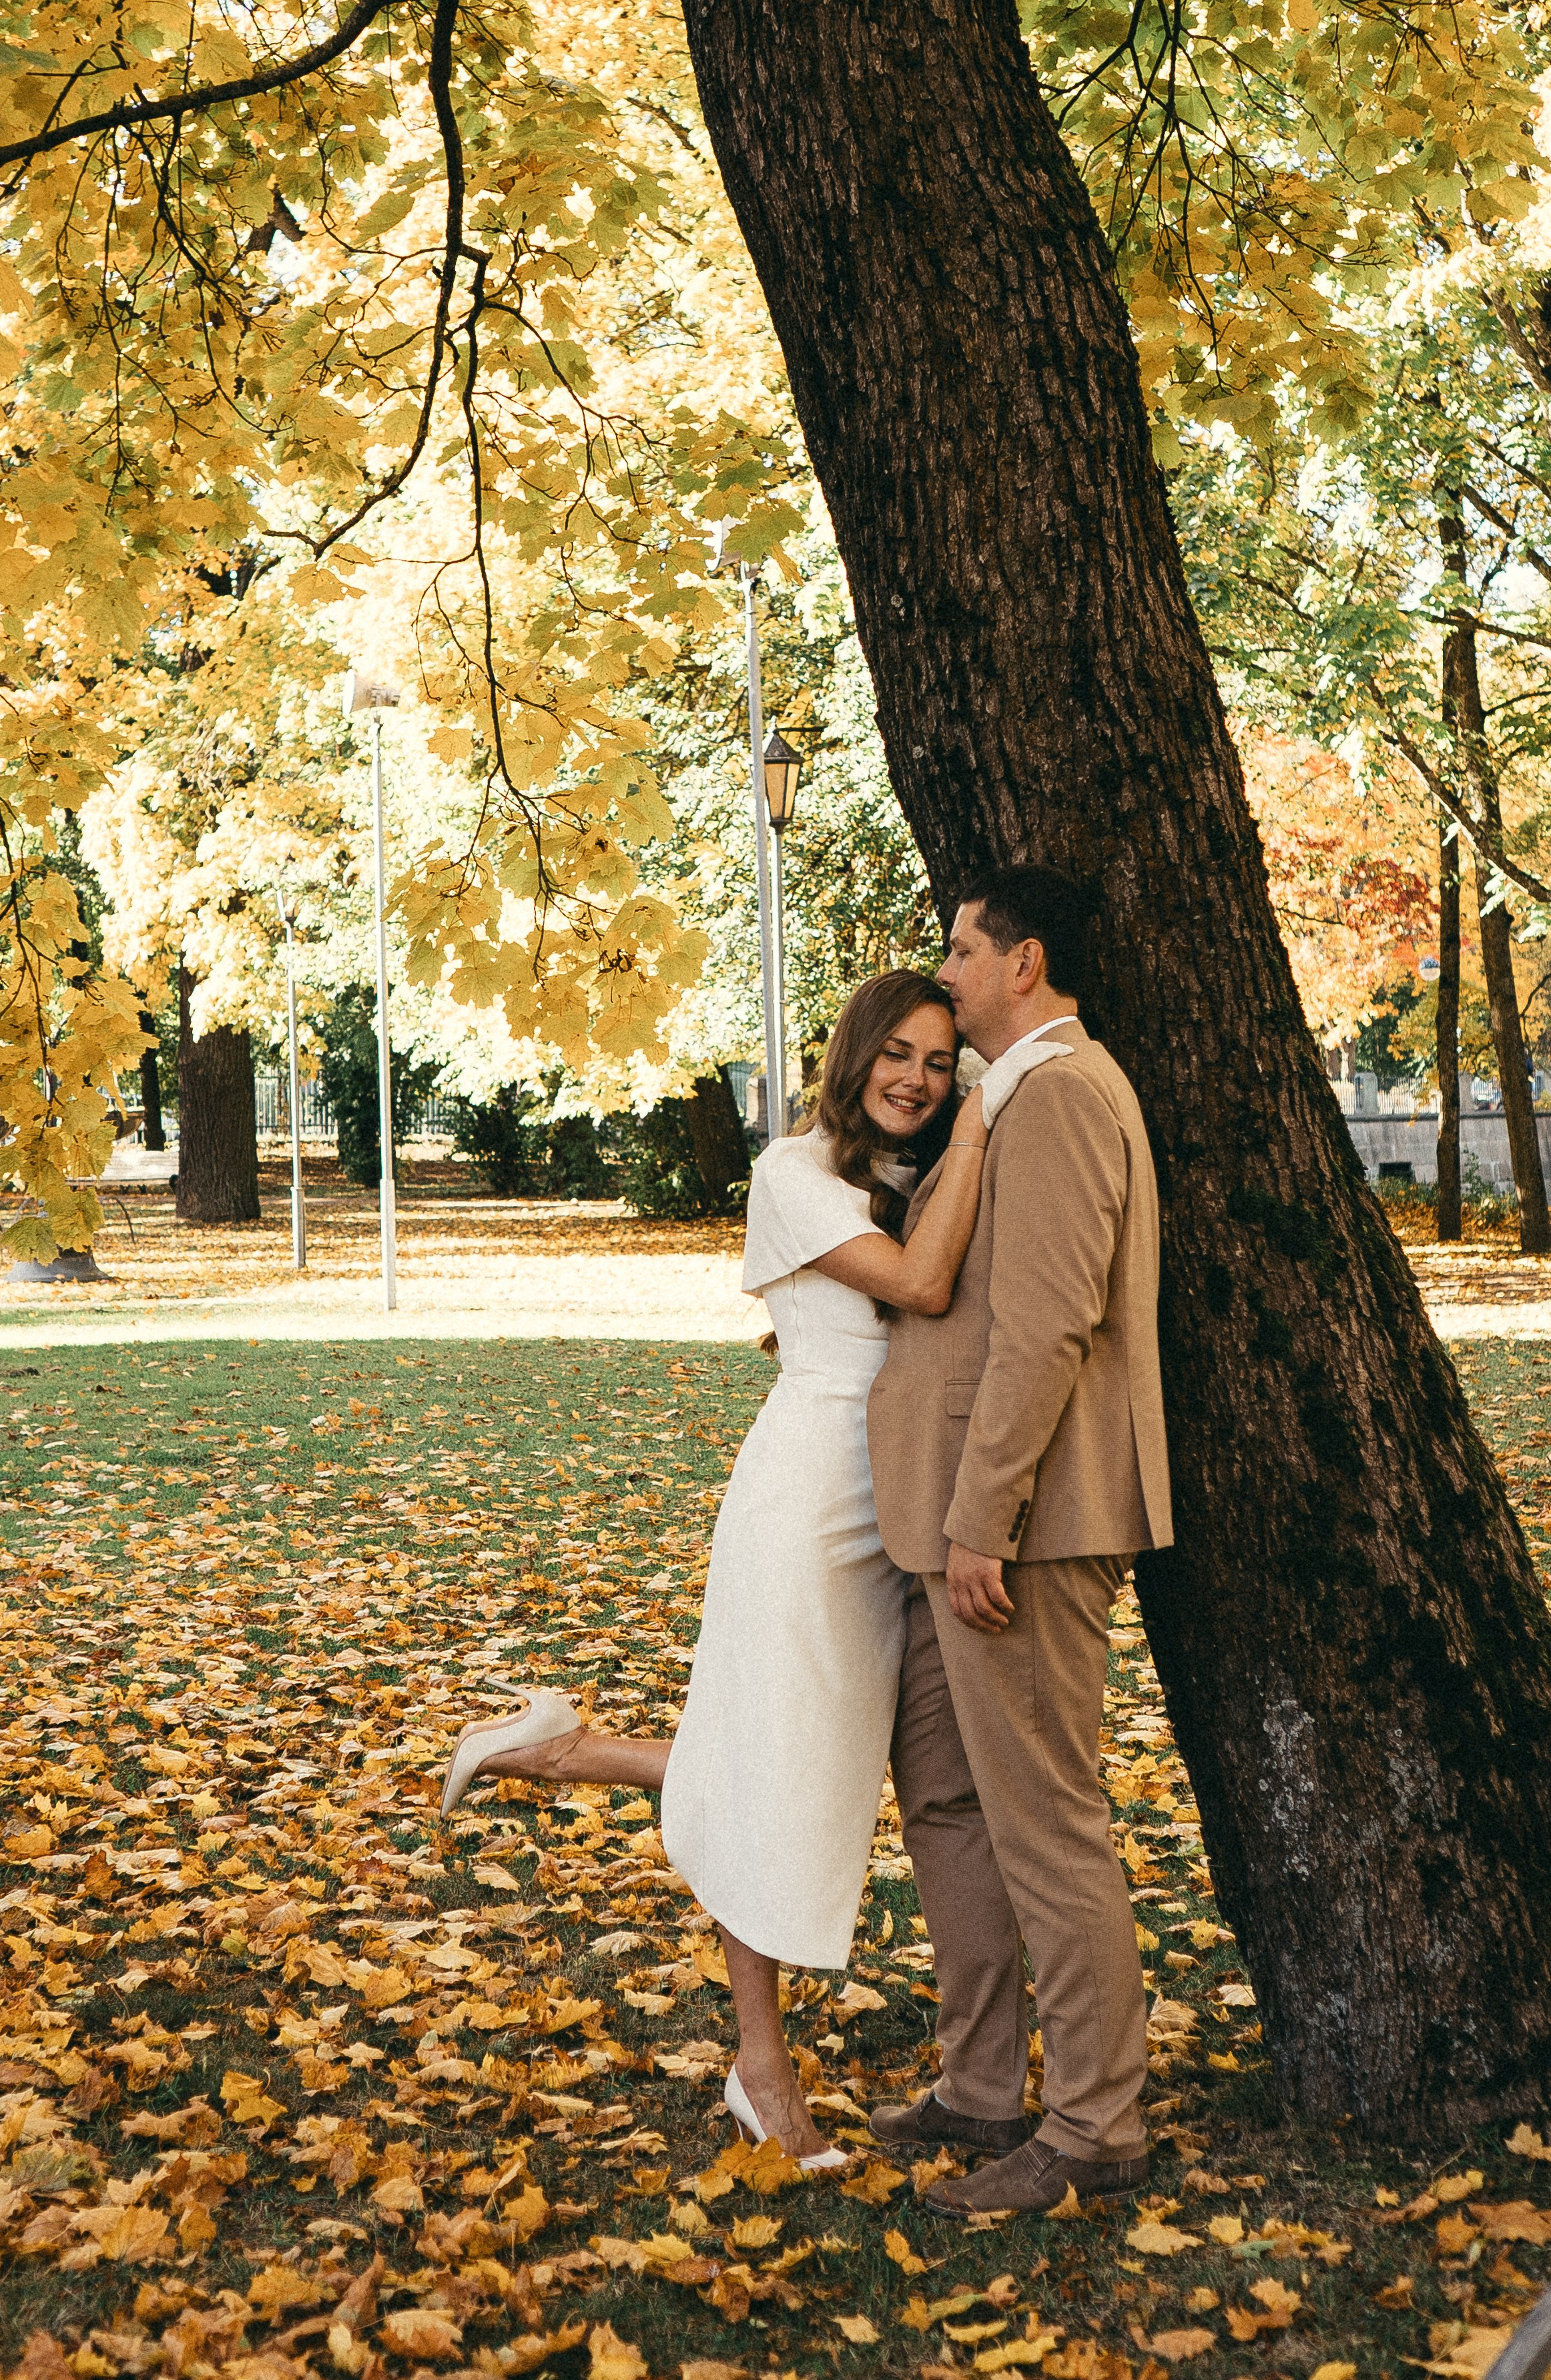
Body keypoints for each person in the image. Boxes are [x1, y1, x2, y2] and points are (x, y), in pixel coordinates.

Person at [438, 970, 1064, 2164]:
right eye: (898, 1054)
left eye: (942, 1062)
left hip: (902, 1504)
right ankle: (763, 2073)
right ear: (853, 1052)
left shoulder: (912, 1173)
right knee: (778, 1773)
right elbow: (924, 1286)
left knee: (807, 1768)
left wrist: (984, 1097)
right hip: (806, 1501)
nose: (919, 1080)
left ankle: (552, 1752)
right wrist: (989, 1103)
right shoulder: (791, 1174)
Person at [864, 867, 1174, 2216]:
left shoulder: (1058, 1094)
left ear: (1024, 962)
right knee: (950, 1805)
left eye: (958, 956)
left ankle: (1097, 2126)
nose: (944, 978)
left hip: (1020, 1529)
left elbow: (1048, 1323)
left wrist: (981, 1516)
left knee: (1046, 1822)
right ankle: (982, 2091)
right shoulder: (1020, 1094)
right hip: (960, 1523)